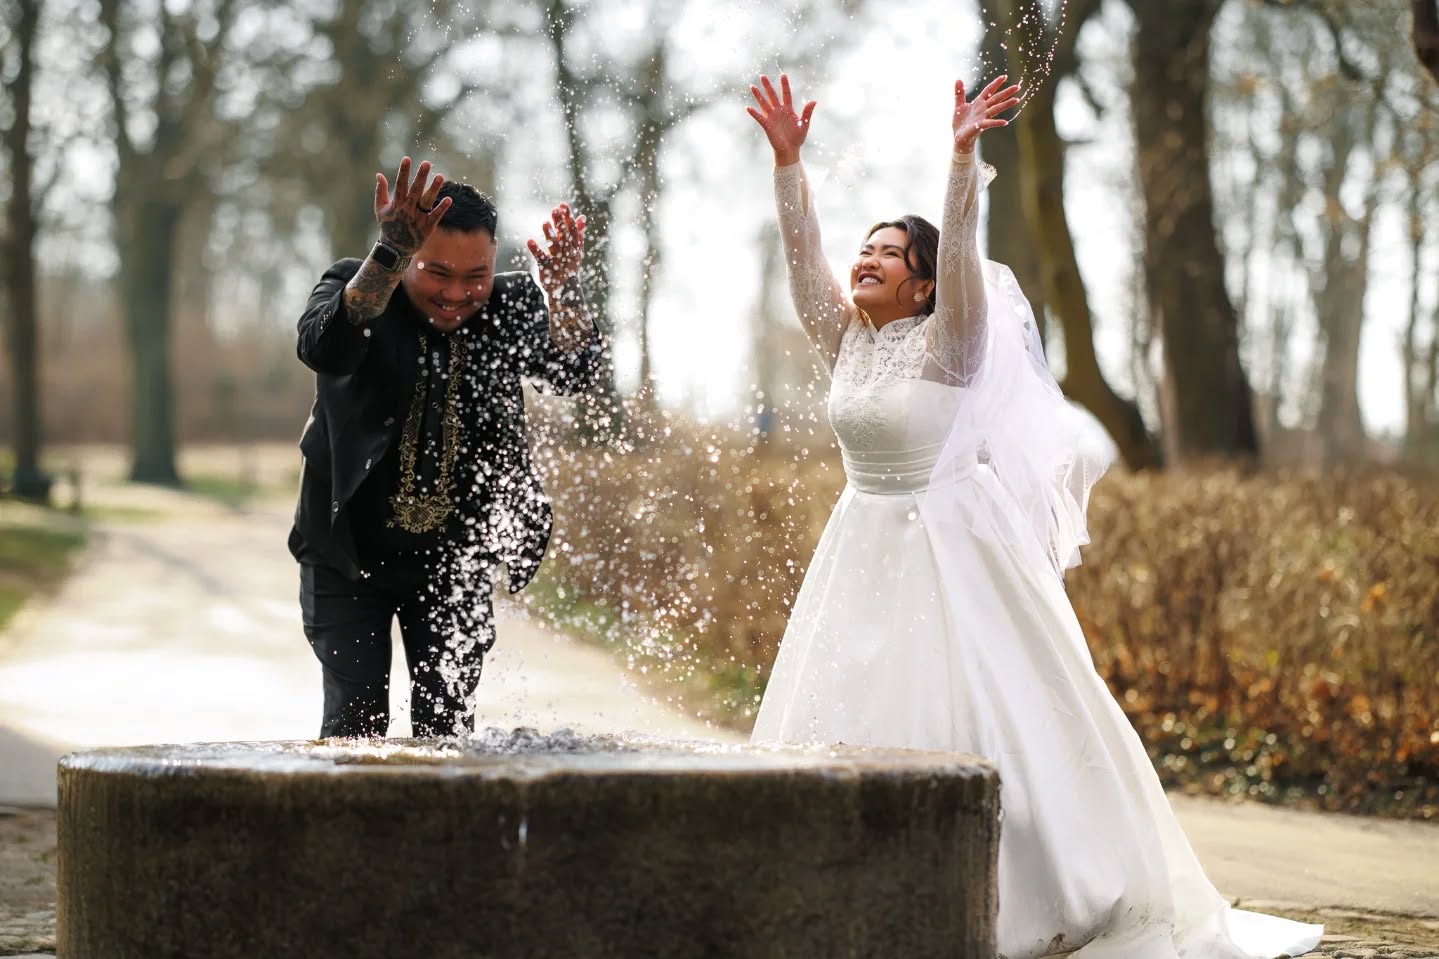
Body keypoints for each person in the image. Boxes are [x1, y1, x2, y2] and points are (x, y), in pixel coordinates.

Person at [745, 73, 1323, 959]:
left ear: (927, 285)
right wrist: (789, 164)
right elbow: (799, 252)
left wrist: (961, 156)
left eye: (890, 252)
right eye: (863, 247)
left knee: (982, 718)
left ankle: (1017, 895)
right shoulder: (848, 342)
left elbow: (965, 246)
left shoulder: (952, 346)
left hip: (948, 556)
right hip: (859, 550)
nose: (865, 257)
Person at [289, 157, 606, 739]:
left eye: (475, 277)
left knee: (448, 733)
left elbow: (576, 372)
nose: (457, 295)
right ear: (406, 254)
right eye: (437, 273)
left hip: (454, 563)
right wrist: (386, 257)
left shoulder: (509, 307)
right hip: (346, 552)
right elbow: (325, 348)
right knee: (354, 729)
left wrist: (562, 294)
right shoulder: (353, 282)